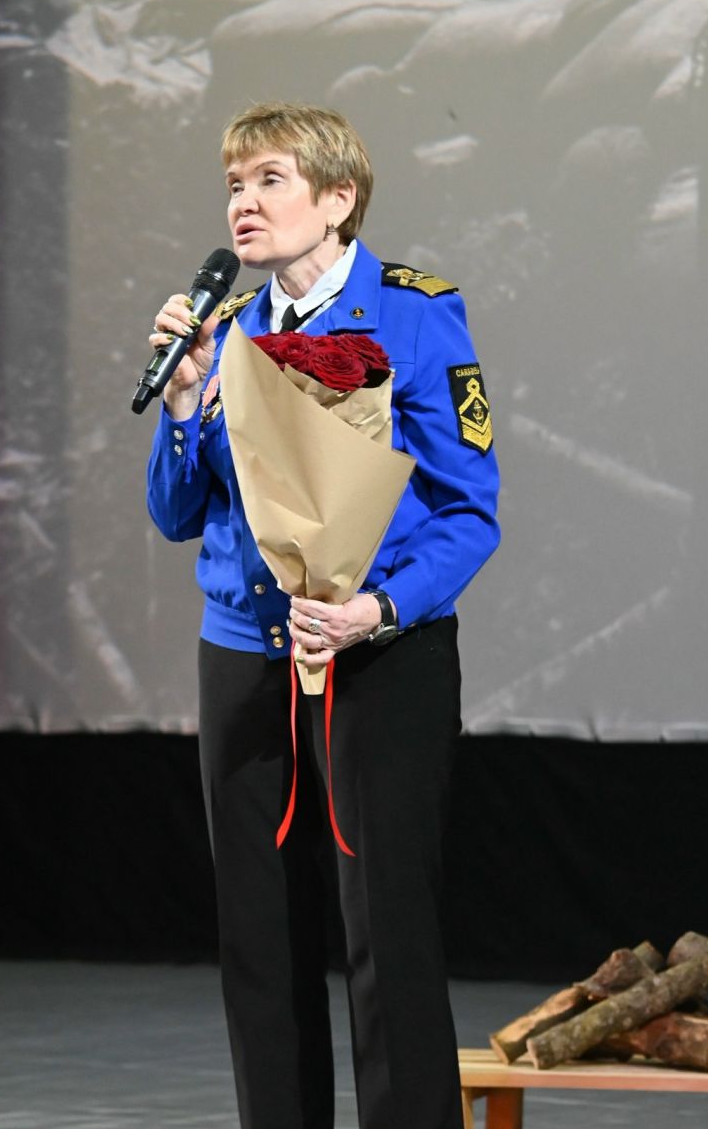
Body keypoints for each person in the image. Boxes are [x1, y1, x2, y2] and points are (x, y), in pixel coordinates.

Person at [146, 101, 500, 1129]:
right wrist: (184, 403)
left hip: (379, 661)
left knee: (388, 932)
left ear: (339, 200)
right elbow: (177, 515)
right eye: (234, 184)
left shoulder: (415, 314)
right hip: (245, 659)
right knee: (259, 939)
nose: (243, 204)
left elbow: (468, 516)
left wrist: (376, 611)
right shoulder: (228, 331)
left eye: (270, 181)